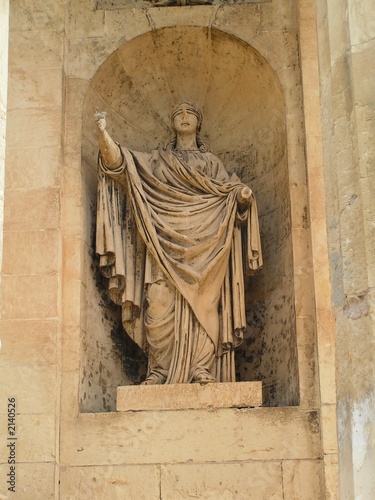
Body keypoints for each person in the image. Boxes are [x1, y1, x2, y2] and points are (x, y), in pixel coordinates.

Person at [95, 100, 262, 385]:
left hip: (206, 246)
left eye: (190, 113)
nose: (184, 117)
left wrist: (242, 195)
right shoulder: (158, 160)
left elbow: (230, 190)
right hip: (163, 245)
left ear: (198, 122)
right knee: (157, 302)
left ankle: (201, 368)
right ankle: (159, 369)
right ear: (173, 122)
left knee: (206, 305)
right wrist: (103, 136)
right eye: (178, 113)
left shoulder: (210, 163)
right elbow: (123, 164)